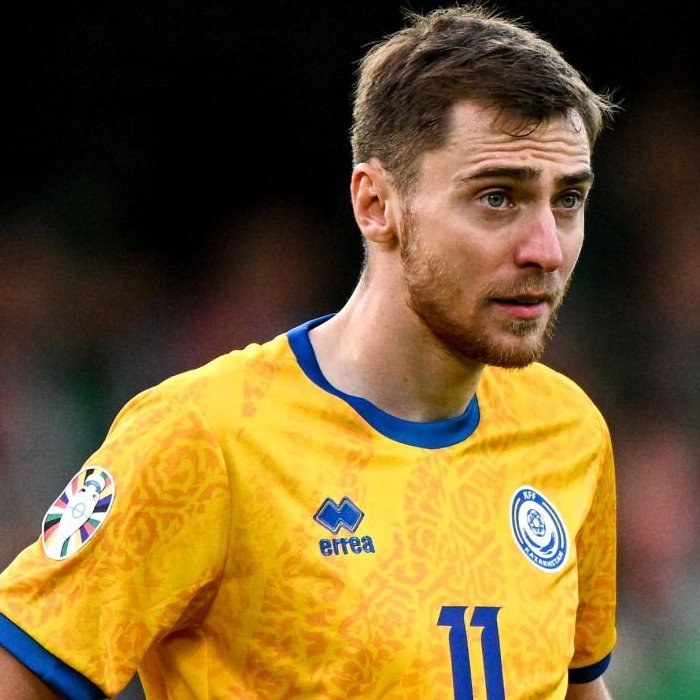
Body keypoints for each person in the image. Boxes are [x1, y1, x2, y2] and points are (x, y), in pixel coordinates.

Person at [0, 4, 619, 698]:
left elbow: (577, 685)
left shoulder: (570, 432)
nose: (546, 249)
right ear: (376, 205)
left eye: (568, 199)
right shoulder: (208, 438)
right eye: (498, 198)